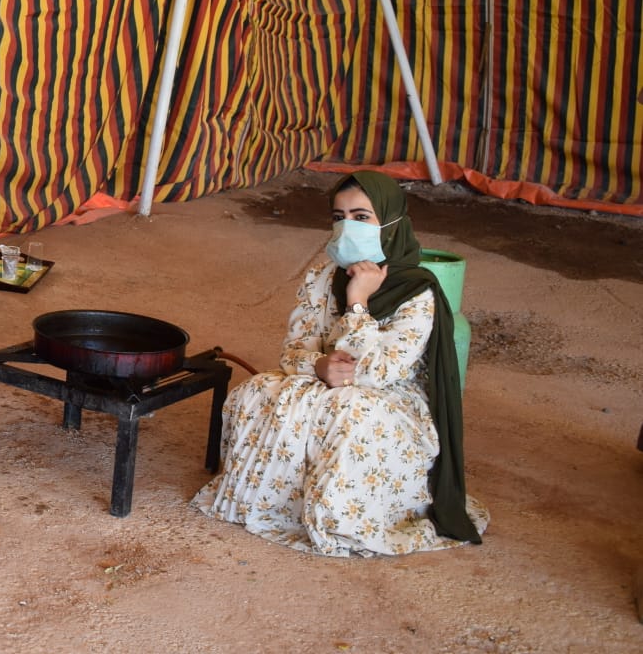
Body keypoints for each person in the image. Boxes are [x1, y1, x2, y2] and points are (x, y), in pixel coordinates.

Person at [192, 170, 488, 557]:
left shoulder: (417, 292)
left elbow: (378, 373)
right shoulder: (321, 277)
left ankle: (339, 515)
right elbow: (293, 351)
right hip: (324, 379)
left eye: (362, 217)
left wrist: (358, 302)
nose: (347, 227)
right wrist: (319, 366)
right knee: (257, 390)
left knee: (351, 410)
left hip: (389, 398)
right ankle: (278, 508)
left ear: (392, 223)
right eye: (338, 217)